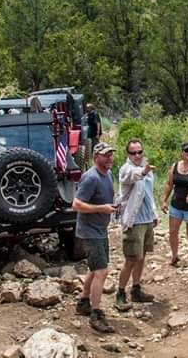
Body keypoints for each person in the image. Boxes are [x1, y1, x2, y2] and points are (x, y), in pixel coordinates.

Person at [73, 142, 117, 333]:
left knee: (95, 268)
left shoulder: (108, 175)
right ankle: (96, 314)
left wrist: (112, 207)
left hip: (100, 229)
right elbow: (76, 204)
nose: (109, 158)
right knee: (101, 271)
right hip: (90, 231)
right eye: (105, 155)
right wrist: (102, 208)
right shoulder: (91, 177)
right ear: (96, 157)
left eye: (111, 154)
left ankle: (84, 301)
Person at [115, 138, 157, 310]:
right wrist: (144, 171)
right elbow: (131, 176)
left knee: (142, 256)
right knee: (131, 259)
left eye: (139, 152)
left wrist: (153, 214)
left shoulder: (146, 168)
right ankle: (120, 292)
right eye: (133, 152)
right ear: (128, 154)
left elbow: (149, 194)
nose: (137, 155)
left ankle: (136, 288)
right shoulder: (127, 169)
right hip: (134, 221)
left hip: (146, 219)